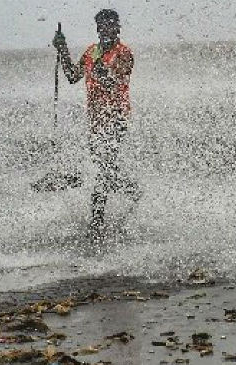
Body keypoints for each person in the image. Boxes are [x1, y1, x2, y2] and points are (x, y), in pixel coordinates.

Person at [53, 9, 141, 235]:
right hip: (95, 120)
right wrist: (62, 50)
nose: (106, 30)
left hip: (116, 118)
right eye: (102, 26)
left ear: (118, 27)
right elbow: (73, 76)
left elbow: (118, 80)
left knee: (104, 170)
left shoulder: (124, 53)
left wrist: (104, 74)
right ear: (98, 28)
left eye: (110, 26)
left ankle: (97, 222)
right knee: (104, 168)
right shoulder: (92, 52)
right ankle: (131, 190)